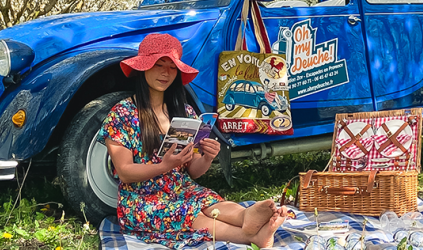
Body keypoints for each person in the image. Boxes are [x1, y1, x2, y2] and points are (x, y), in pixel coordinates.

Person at [99, 33, 286, 249]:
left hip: (181, 187)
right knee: (188, 212)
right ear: (143, 68)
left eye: (172, 67)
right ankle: (250, 236)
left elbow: (193, 171)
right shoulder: (122, 113)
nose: (165, 73)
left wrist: (207, 156)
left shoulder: (185, 112)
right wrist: (164, 166)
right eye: (159, 65)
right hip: (142, 199)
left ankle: (246, 216)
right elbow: (125, 171)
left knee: (208, 200)